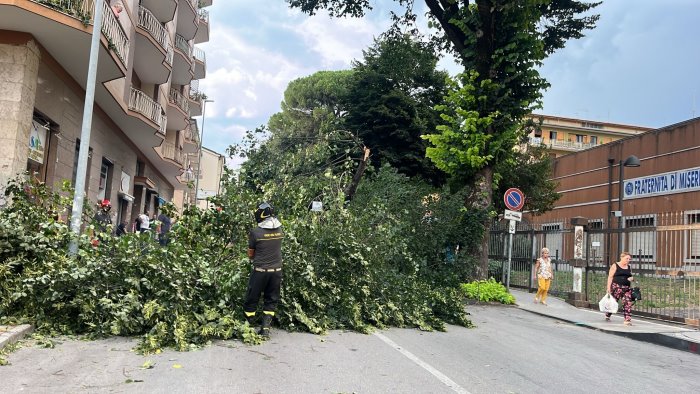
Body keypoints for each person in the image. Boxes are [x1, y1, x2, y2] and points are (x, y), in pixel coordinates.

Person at [243, 202, 284, 338]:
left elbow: (250, 254)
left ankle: (247, 327)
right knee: (271, 299)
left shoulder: (256, 232)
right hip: (277, 271)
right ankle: (265, 329)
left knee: (252, 298)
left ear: (261, 214)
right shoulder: (280, 231)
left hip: (260, 271)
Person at [605, 251, 635, 325]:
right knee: (613, 302)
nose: (628, 260)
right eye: (627, 258)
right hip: (616, 287)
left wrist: (632, 279)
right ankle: (608, 314)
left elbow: (631, 276)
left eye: (629, 259)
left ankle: (627, 320)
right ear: (622, 257)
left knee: (627, 302)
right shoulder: (615, 265)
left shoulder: (629, 267)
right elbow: (610, 277)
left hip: (627, 288)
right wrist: (608, 288)